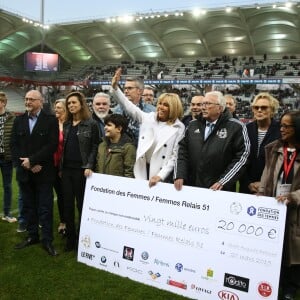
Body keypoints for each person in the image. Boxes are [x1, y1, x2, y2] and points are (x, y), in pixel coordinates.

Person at [111, 68, 185, 187]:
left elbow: (174, 156)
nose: (161, 107)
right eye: (160, 103)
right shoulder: (148, 118)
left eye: (166, 105)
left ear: (174, 107)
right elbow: (128, 106)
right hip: (142, 168)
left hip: (162, 173)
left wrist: (161, 175)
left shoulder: (179, 127)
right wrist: (115, 88)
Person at [258, 110, 300, 300]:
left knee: (293, 248)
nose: (281, 129)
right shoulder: (274, 148)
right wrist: (260, 193)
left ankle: (291, 288)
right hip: (274, 207)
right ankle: (273, 283)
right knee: (274, 246)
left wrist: (294, 197)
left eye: (286, 126)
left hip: (295, 211)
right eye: (281, 125)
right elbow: (267, 176)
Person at [12, 89, 59, 256]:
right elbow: (14, 146)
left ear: (40, 101)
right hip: (25, 172)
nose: (27, 102)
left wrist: (33, 161)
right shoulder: (19, 120)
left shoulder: (51, 120)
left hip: (44, 172)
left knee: (45, 208)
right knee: (29, 207)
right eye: (26, 99)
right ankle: (32, 236)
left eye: (31, 99)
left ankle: (47, 240)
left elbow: (51, 145)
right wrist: (27, 164)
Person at [174, 91, 250, 191]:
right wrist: (179, 174)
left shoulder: (236, 127)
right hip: (191, 187)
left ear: (220, 108)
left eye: (208, 104)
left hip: (219, 190)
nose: (203, 107)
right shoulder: (192, 125)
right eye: (203, 104)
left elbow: (242, 157)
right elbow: (182, 151)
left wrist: (223, 181)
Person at [61, 91, 100, 251]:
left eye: (74, 103)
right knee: (67, 205)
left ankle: (83, 238)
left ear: (81, 104)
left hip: (82, 171)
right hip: (66, 170)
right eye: (69, 103)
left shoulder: (91, 124)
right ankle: (70, 238)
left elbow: (95, 146)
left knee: (82, 206)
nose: (71, 105)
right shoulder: (67, 124)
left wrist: (89, 165)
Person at [239, 92, 280, 194]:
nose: (259, 110)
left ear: (272, 110)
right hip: (247, 187)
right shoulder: (245, 129)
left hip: (271, 187)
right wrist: (247, 182)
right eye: (256, 107)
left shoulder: (280, 131)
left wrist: (264, 182)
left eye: (264, 107)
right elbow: (239, 158)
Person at [113, 75, 155, 145]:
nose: (126, 91)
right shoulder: (117, 110)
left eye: (129, 88)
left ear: (140, 91)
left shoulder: (151, 111)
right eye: (125, 88)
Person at [95, 113, 136, 178]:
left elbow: (129, 173)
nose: (105, 127)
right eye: (105, 125)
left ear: (119, 129)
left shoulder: (129, 148)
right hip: (101, 186)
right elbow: (97, 168)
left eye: (109, 125)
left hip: (118, 187)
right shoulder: (102, 145)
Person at [0, 92, 17, 223]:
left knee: (7, 186)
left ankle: (6, 213)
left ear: (4, 102)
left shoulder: (11, 117)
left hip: (6, 157)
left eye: (0, 101)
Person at [53, 98, 66, 235]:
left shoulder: (69, 125)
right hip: (52, 165)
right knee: (58, 194)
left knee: (64, 195)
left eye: (59, 107)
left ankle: (65, 221)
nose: (56, 110)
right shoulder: (52, 124)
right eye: (55, 107)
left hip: (65, 166)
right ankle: (63, 220)